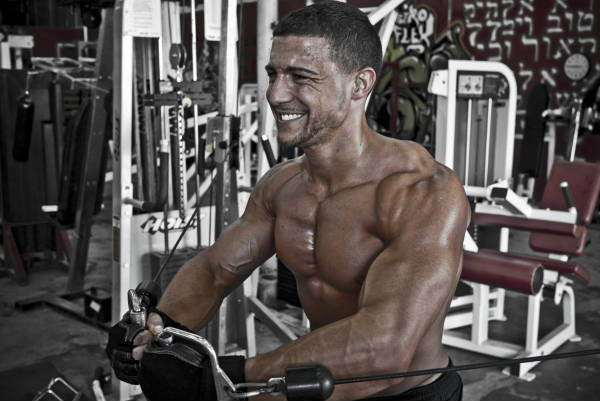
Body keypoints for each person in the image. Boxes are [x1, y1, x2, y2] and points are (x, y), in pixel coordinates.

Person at [106, 2, 470, 400]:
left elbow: (386, 349)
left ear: (360, 84)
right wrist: (159, 330)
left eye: (300, 77)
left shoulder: (422, 191)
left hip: (410, 394)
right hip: (319, 386)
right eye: (274, 74)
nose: (276, 95)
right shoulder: (281, 186)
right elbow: (214, 271)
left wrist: (231, 375)